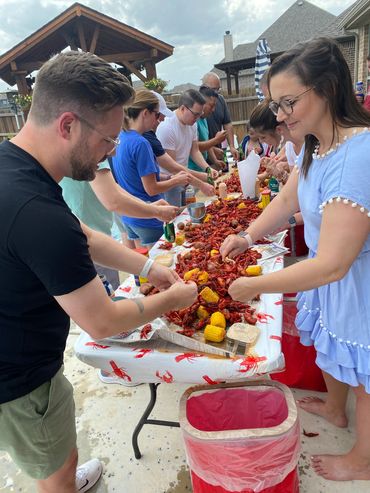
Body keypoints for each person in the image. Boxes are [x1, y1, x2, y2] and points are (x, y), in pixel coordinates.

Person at [0, 51, 198, 493]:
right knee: (52, 470)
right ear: (67, 125)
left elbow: (83, 233)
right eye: (108, 140)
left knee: (59, 453)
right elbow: (103, 321)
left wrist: (150, 266)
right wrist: (172, 299)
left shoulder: (14, 166)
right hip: (19, 376)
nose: (112, 151)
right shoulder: (38, 214)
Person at [220, 37, 370, 482]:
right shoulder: (314, 145)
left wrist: (255, 285)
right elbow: (287, 201)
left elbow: (335, 263)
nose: (280, 115)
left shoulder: (358, 155)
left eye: (288, 103)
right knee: (331, 345)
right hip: (332, 278)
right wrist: (247, 236)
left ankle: (363, 458)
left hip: (356, 280)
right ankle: (334, 409)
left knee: (364, 374)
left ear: (325, 89)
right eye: (275, 104)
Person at [60, 161, 178, 289]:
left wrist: (148, 206)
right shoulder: (91, 151)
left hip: (85, 238)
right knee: (110, 295)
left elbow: (112, 188)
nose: (115, 150)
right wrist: (157, 212)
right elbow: (113, 201)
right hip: (91, 245)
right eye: (112, 141)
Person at [112, 89, 191, 247]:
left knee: (142, 267)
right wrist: (176, 181)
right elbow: (151, 189)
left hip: (130, 216)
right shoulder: (141, 143)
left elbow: (137, 176)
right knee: (159, 265)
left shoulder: (120, 138)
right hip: (149, 217)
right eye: (157, 115)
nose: (159, 120)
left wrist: (169, 178)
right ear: (145, 113)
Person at [143, 91, 215, 197]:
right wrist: (202, 178)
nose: (197, 118)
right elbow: (172, 167)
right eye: (195, 114)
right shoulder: (166, 128)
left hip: (184, 178)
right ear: (182, 108)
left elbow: (194, 151)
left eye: (200, 115)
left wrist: (207, 168)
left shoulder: (193, 124)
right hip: (169, 183)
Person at [188, 85, 226, 172]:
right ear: (202, 103)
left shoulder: (204, 119)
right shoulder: (193, 121)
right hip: (192, 169)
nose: (213, 110)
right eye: (211, 106)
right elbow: (195, 147)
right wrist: (216, 140)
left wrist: (215, 161)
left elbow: (207, 143)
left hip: (202, 167)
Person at [201, 71, 239, 161]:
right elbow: (193, 144)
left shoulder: (220, 99)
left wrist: (232, 146)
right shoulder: (198, 109)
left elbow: (228, 123)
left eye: (218, 89)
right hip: (202, 157)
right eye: (214, 89)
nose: (216, 92)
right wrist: (212, 148)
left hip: (216, 152)